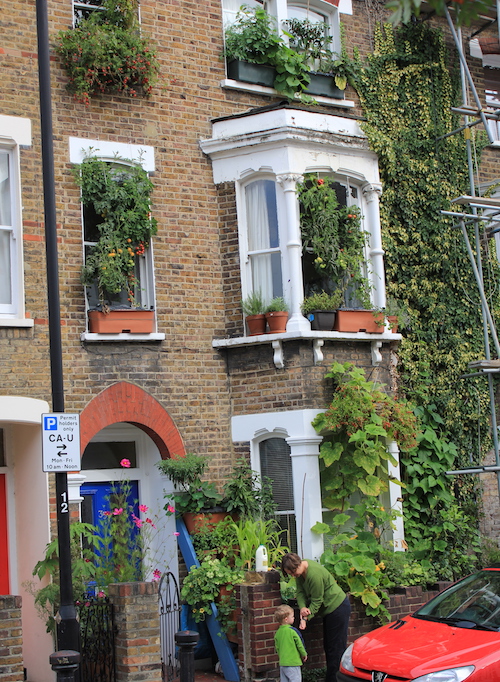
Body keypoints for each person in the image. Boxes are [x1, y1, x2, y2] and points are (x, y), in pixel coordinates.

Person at [282, 553, 350, 682]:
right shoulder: (301, 572)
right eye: (290, 574)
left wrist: (306, 617)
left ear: (298, 564)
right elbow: (300, 592)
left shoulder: (314, 574)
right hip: (328, 610)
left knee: (335, 649)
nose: (293, 575)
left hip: (338, 607)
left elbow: (317, 601)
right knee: (328, 646)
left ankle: (336, 679)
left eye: (293, 572)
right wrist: (302, 608)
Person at [274, 603, 308, 682]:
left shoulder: (278, 633)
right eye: (292, 616)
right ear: (286, 619)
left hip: (283, 663)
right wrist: (304, 654)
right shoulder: (292, 631)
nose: (294, 618)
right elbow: (299, 644)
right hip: (293, 662)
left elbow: (277, 648)